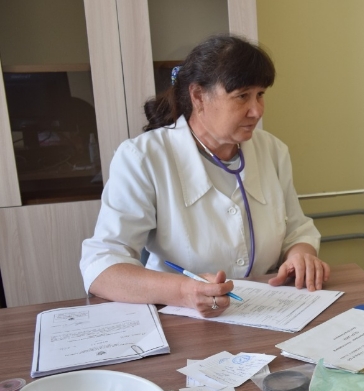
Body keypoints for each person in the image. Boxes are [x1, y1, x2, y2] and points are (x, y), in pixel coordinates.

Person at [80, 35, 329, 318]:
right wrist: (184, 291)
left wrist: (301, 255)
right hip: (181, 321)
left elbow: (297, 230)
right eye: (242, 96)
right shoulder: (143, 157)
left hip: (271, 313)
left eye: (260, 94)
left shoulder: (272, 150)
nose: (257, 111)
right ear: (198, 96)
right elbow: (101, 268)